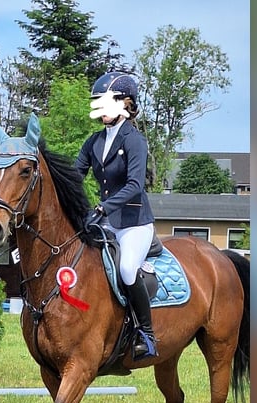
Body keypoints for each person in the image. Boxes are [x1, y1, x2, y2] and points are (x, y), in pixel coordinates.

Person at [76, 71, 158, 360]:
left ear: (126, 104)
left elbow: (135, 185)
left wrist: (101, 208)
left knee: (125, 270)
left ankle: (146, 334)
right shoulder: (94, 142)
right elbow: (75, 177)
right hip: (106, 223)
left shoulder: (135, 141)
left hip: (134, 223)